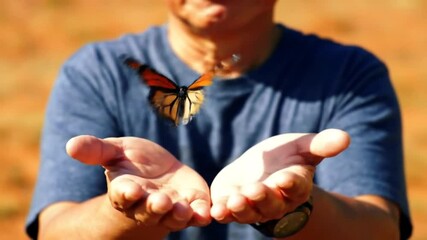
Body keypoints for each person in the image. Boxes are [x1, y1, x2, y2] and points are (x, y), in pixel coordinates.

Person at [26, 0, 412, 239]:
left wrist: (295, 205)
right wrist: (123, 210)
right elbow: (56, 231)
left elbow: (379, 229)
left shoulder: (349, 75)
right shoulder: (96, 72)